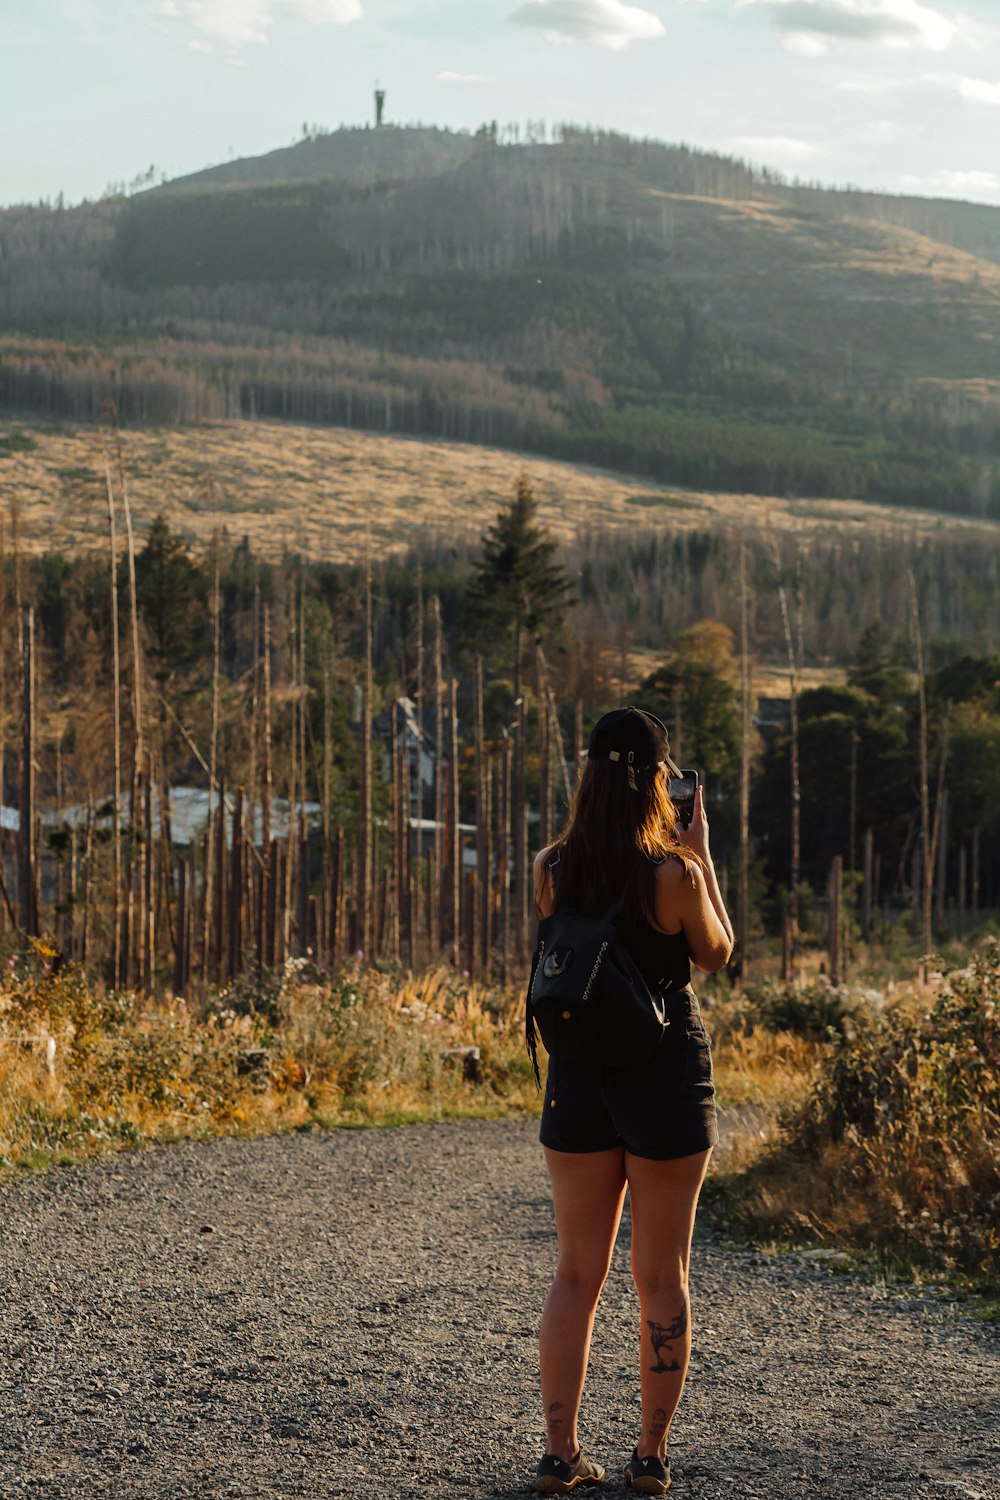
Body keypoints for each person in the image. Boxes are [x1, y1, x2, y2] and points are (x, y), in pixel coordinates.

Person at [531, 707, 733, 1496]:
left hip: (578, 1074)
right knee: (663, 1275)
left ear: (586, 776)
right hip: (665, 1076)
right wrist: (701, 858)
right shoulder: (671, 876)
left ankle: (559, 1452)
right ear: (660, 781)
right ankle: (648, 1457)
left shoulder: (551, 866)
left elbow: (563, 954)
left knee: (576, 1274)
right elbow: (716, 954)